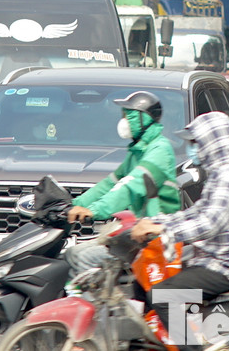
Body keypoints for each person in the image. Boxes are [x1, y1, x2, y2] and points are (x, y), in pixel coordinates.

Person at [133, 112, 229, 351]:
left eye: (196, 142)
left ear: (212, 144)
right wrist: (155, 222)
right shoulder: (218, 174)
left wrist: (163, 229)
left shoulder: (228, 176)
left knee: (162, 295)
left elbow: (209, 223)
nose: (193, 148)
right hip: (218, 258)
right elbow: (196, 213)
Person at [64, 92, 180, 278]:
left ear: (144, 118)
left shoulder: (160, 150)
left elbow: (129, 186)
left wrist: (95, 211)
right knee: (72, 253)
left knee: (84, 258)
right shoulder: (137, 151)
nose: (124, 121)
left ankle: (97, 306)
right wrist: (75, 204)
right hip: (140, 230)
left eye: (129, 116)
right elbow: (109, 184)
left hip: (155, 234)